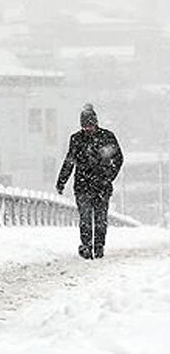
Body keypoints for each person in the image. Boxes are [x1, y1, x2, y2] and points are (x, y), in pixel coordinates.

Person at [56, 103, 124, 259]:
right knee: (85, 218)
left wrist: (109, 177)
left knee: (100, 218)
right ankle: (87, 246)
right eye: (85, 126)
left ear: (96, 123)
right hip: (83, 185)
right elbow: (69, 161)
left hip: (101, 185)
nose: (88, 129)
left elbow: (118, 158)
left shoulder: (107, 137)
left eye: (90, 125)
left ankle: (99, 246)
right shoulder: (76, 139)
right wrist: (62, 181)